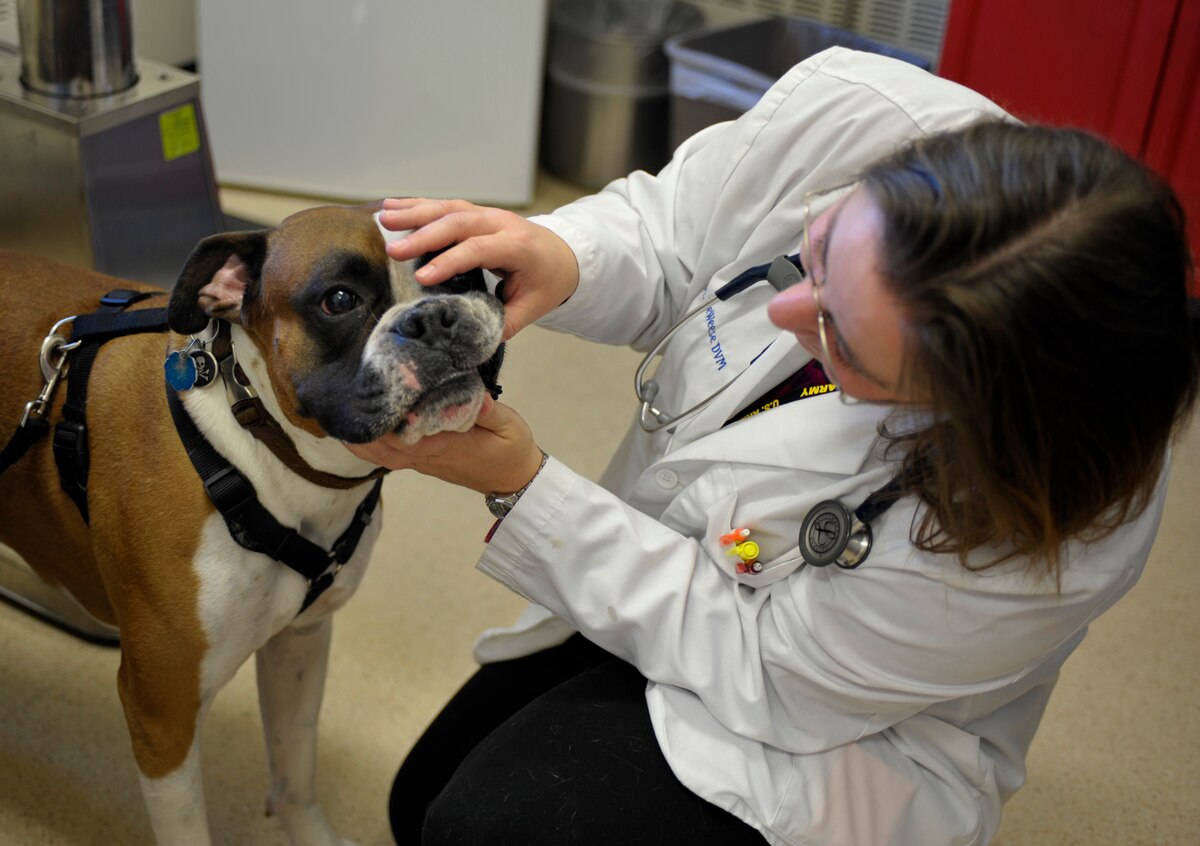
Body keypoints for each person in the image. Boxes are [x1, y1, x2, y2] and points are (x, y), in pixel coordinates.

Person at [346, 47, 1199, 846]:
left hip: (845, 737)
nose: (787, 313)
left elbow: (769, 666)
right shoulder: (869, 115)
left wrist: (526, 489)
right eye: (817, 251)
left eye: (844, 341)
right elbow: (677, 229)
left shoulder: (1034, 525)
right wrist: (568, 254)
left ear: (968, 411)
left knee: (484, 828)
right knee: (418, 800)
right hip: (691, 568)